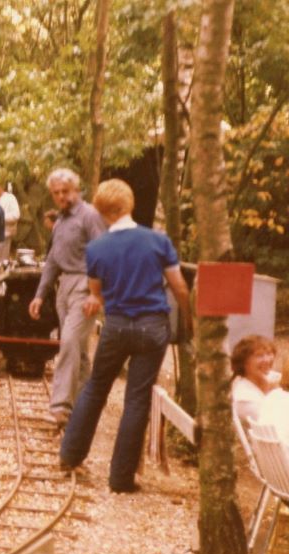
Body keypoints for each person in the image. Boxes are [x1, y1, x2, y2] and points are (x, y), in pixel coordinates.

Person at [58, 179, 191, 493]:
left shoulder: (96, 249)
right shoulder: (158, 241)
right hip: (152, 327)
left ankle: (70, 455)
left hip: (116, 326)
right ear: (130, 204)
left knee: (95, 388)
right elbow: (180, 287)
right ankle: (120, 478)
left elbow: (97, 293)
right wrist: (188, 320)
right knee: (137, 399)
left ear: (102, 212)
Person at [29, 168, 106, 423]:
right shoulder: (60, 221)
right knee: (79, 351)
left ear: (76, 189)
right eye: (57, 193)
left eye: (66, 191)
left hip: (85, 284)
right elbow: (52, 259)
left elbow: (102, 253)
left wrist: (97, 293)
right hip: (64, 287)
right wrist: (40, 294)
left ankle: (61, 406)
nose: (62, 196)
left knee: (70, 342)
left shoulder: (89, 216)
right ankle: (84, 406)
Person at [231, 334, 281, 424]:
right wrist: (274, 393)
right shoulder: (244, 397)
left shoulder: (263, 382)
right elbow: (275, 425)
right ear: (243, 363)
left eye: (269, 353)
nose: (267, 360)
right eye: (259, 355)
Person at [0, 182, 20, 264]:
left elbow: (16, 215)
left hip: (5, 234)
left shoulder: (10, 198)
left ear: (0, 188)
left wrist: (1, 217)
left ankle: (1, 275)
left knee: (2, 261)